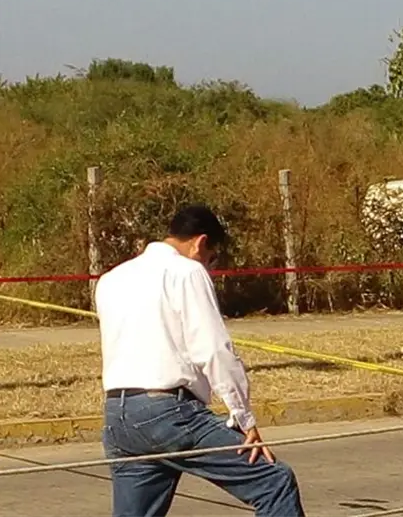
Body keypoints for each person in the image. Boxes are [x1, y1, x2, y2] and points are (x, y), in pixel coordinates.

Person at [96, 205, 305, 517]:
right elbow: (213, 349)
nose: (210, 267)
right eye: (213, 258)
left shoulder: (111, 279)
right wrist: (244, 418)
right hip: (170, 414)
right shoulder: (187, 272)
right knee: (274, 482)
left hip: (118, 417)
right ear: (201, 242)